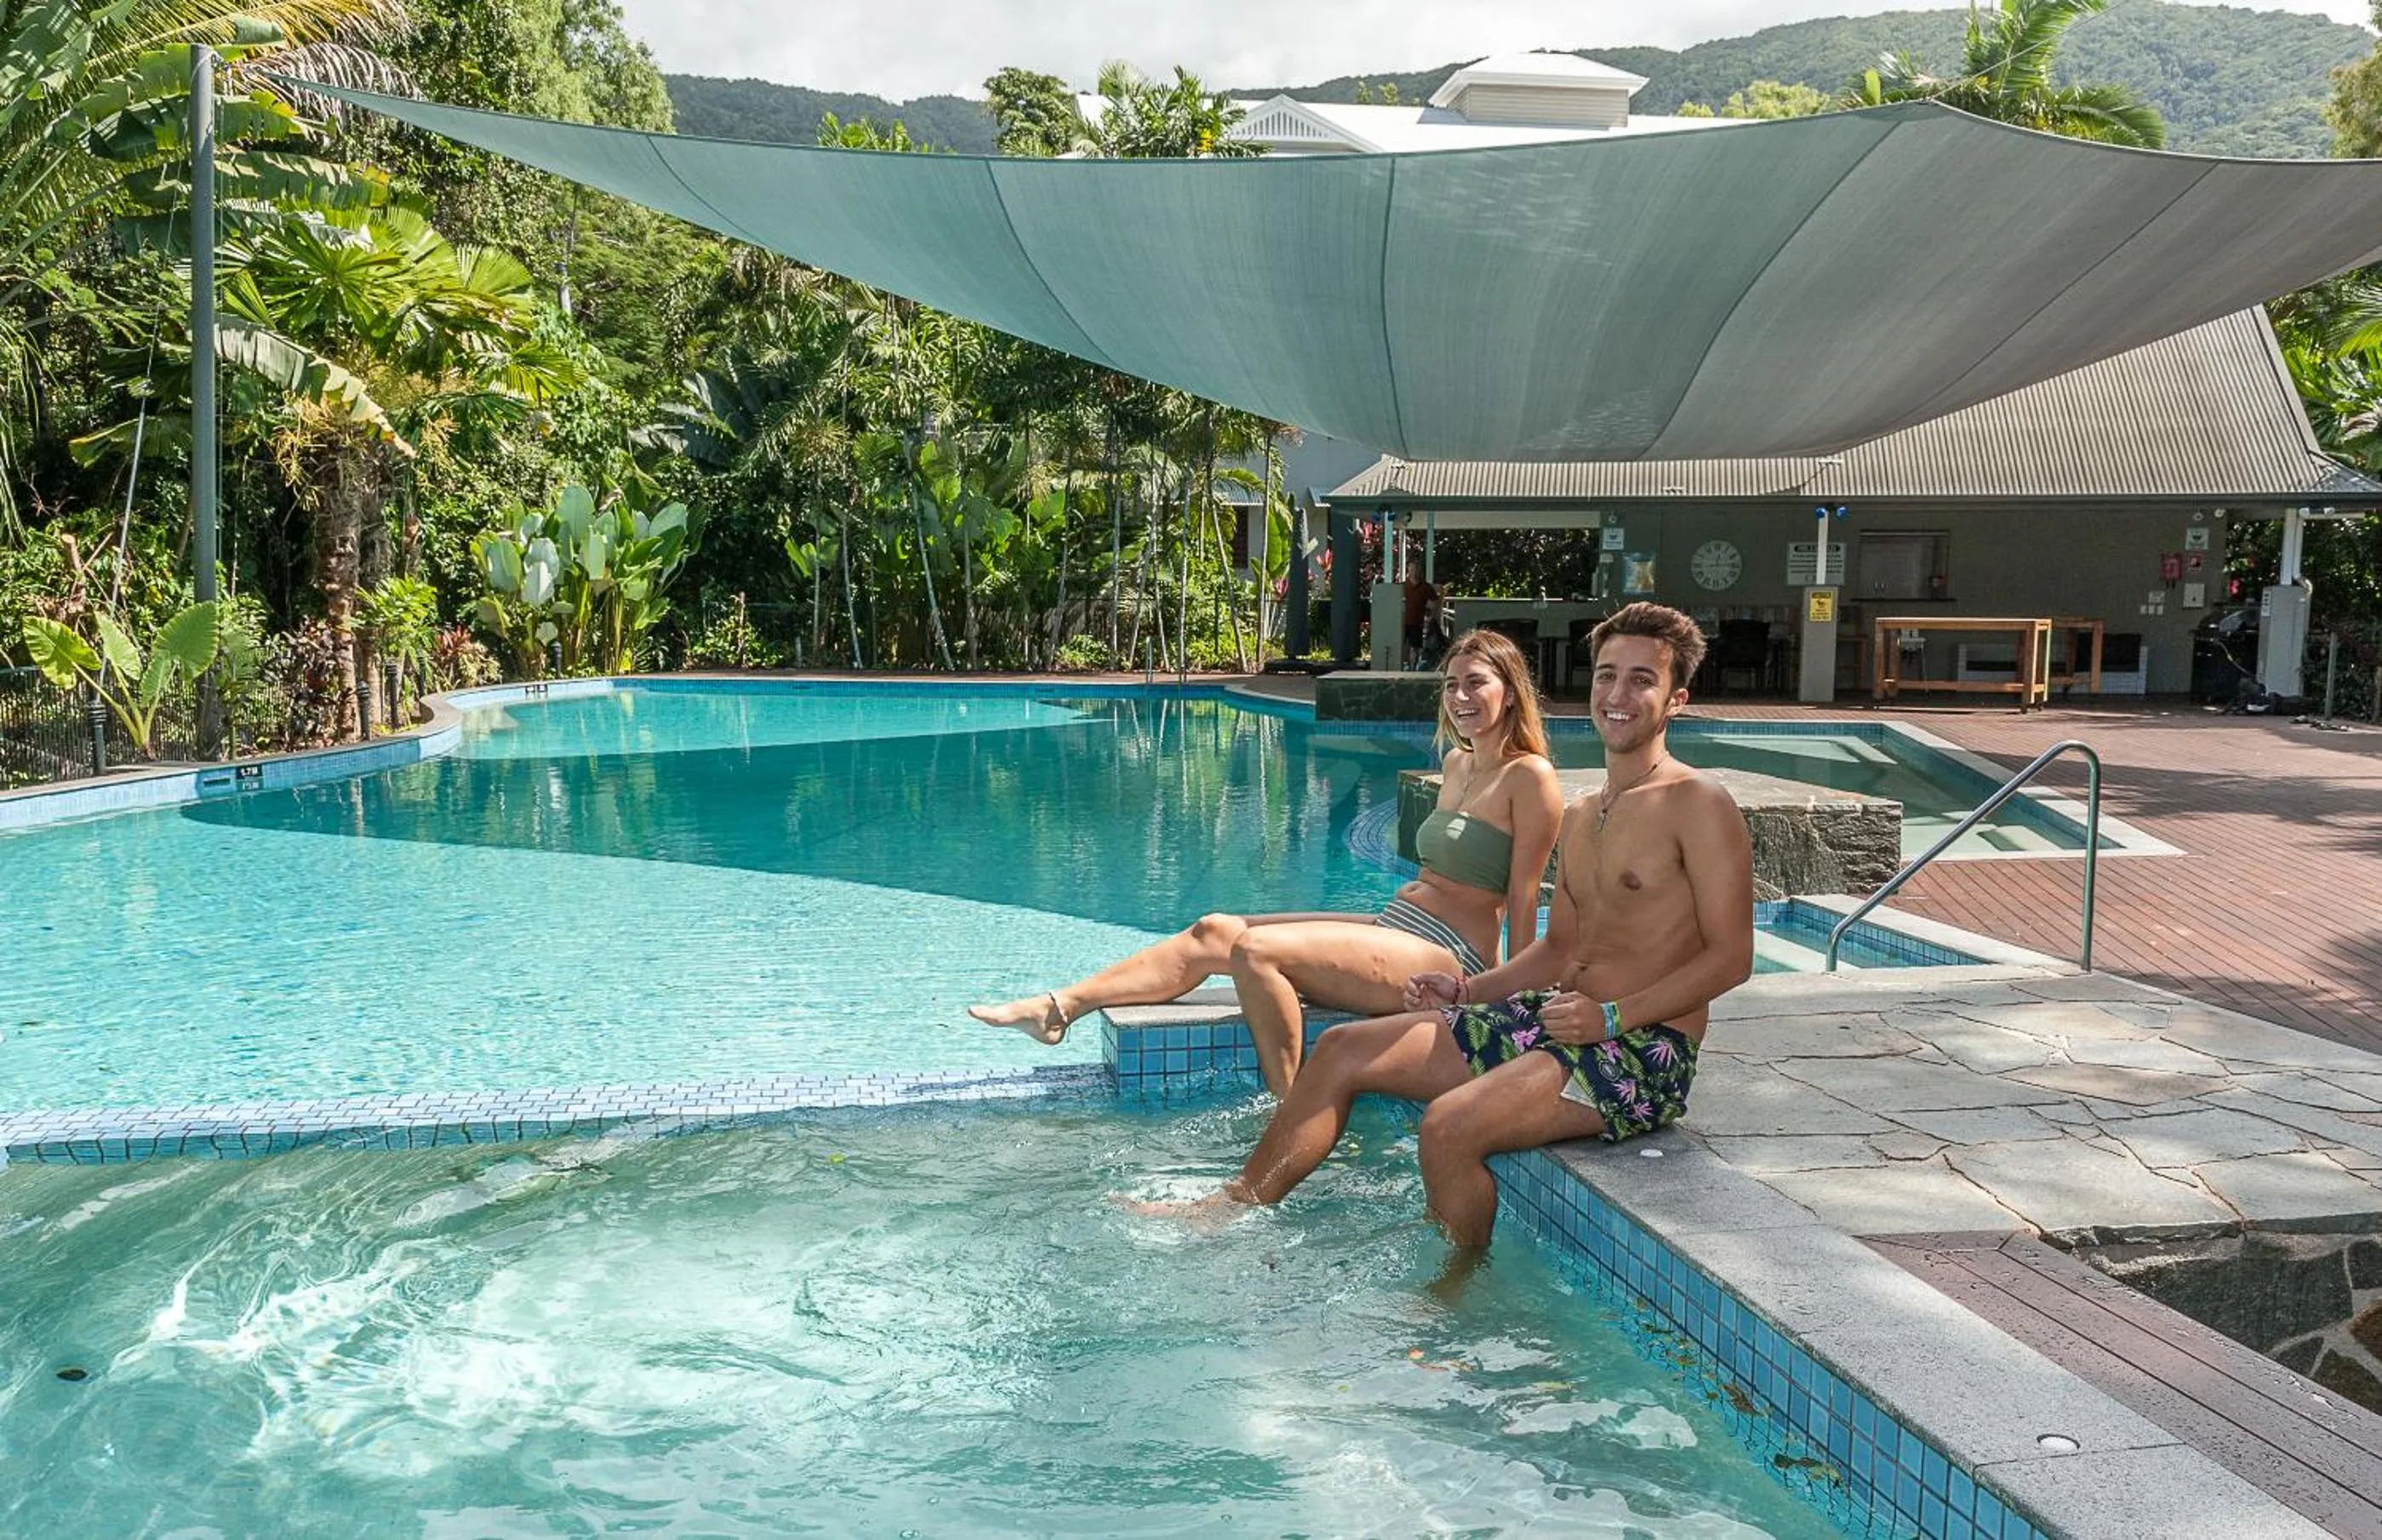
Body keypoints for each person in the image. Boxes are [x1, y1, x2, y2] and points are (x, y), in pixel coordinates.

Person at [1141, 602, 1754, 1248]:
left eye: (1640, 680)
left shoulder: (1697, 804)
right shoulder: (1581, 814)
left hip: (1639, 1050)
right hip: (1554, 1018)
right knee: (1343, 1049)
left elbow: (1730, 958)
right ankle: (1237, 1201)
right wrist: (1467, 992)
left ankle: (1450, 1302)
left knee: (1448, 1126)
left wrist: (1610, 1018)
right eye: (1605, 675)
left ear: (1675, 699)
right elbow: (1557, 949)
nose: (1617, 694)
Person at [970, 630, 1563, 1098]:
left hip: (1447, 955)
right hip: (1397, 928)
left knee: (1257, 951)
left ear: (1508, 691)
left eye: (1476, 684)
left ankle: (1291, 1105)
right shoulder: (1457, 766)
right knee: (1216, 930)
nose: (1460, 697)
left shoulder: (1529, 778)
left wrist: (1490, 996)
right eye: (1451, 685)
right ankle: (1059, 1009)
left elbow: (1523, 895)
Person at [1402, 568, 1439, 670]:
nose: (1413, 572)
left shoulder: (1424, 586)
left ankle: (1413, 667)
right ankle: (1406, 666)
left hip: (1417, 621)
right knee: (1403, 646)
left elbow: (1435, 600)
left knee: (1415, 646)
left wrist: (1430, 614)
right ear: (1408, 571)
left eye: (1415, 569)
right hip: (1403, 622)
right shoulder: (1403, 586)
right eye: (1411, 570)